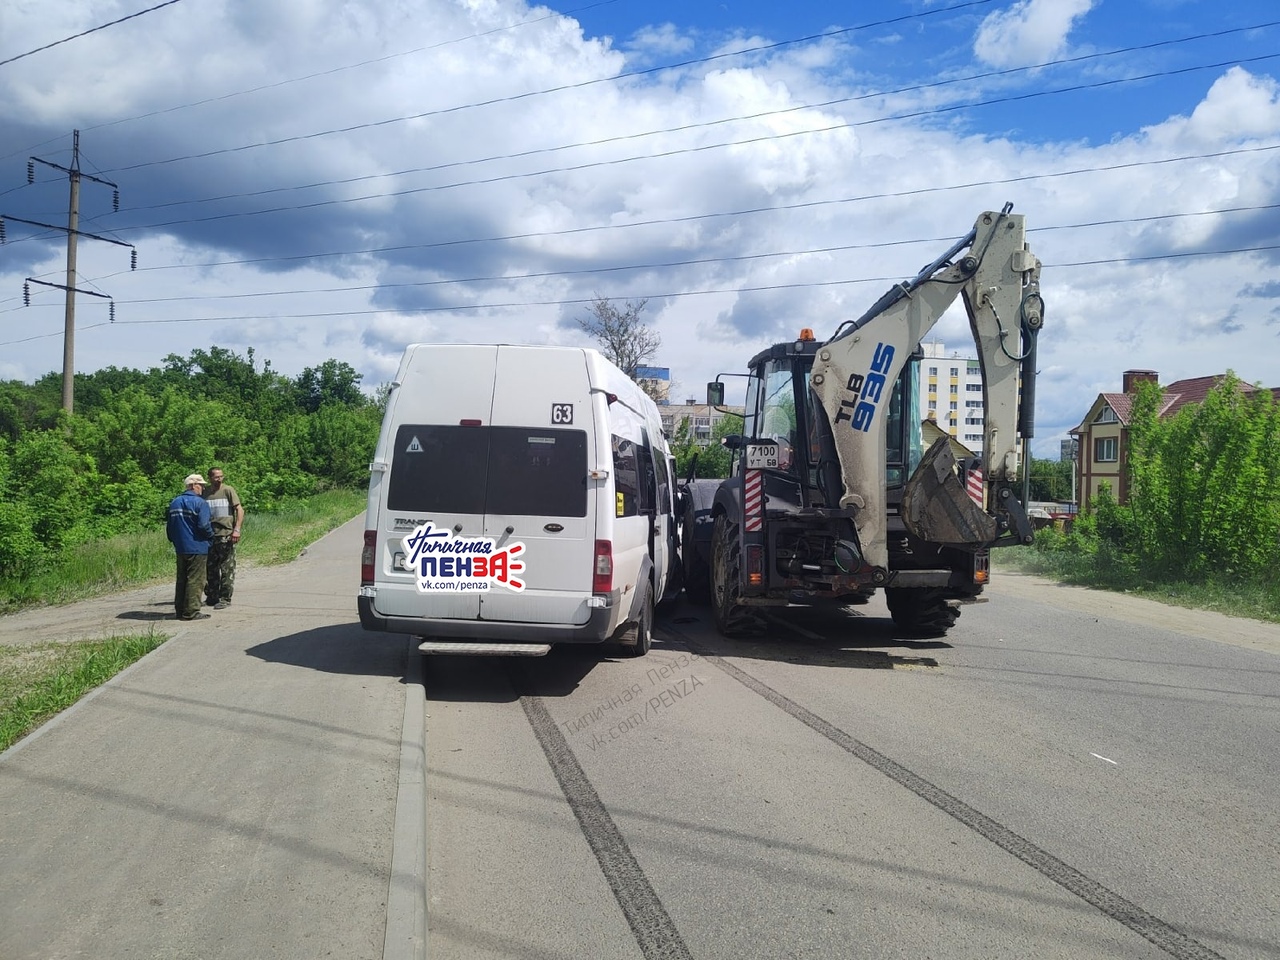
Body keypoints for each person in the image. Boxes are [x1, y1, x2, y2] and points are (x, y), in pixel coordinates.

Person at [167, 473, 214, 621]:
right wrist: (210, 536)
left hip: (180, 547)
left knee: (182, 579)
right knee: (196, 579)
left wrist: (174, 540)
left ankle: (180, 610)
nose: (203, 488)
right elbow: (204, 525)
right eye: (201, 485)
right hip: (197, 546)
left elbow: (170, 527)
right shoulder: (200, 503)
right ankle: (192, 611)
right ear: (193, 485)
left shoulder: (174, 502)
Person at [202, 466, 244, 609]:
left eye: (221, 476)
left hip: (225, 534)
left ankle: (225, 598)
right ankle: (212, 596)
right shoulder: (205, 493)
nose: (219, 479)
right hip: (210, 535)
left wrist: (236, 529)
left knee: (227, 568)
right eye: (216, 477)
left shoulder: (228, 490)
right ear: (210, 478)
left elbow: (239, 509)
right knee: (211, 568)